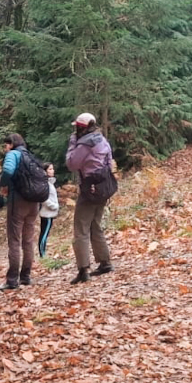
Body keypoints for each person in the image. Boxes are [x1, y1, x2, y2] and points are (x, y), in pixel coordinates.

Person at [66, 112, 115, 284]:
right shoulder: (102, 140)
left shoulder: (84, 144)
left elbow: (71, 163)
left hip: (89, 188)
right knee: (95, 224)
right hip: (104, 186)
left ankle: (83, 269)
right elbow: (110, 162)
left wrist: (73, 143)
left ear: (81, 127)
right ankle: (105, 262)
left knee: (81, 228)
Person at [0, 134, 40, 291]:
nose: (5, 149)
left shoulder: (13, 154)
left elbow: (8, 170)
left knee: (14, 240)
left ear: (11, 144)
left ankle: (12, 280)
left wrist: (3, 185)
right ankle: (26, 276)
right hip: (33, 202)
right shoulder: (29, 156)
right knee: (28, 240)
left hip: (18, 201)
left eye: (6, 145)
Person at [38, 163, 59, 258]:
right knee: (44, 234)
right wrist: (54, 206)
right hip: (47, 213)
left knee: (45, 233)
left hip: (50, 213)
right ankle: (42, 254)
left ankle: (43, 253)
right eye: (50, 169)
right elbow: (43, 198)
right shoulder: (45, 184)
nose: (52, 170)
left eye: (53, 168)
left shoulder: (50, 183)